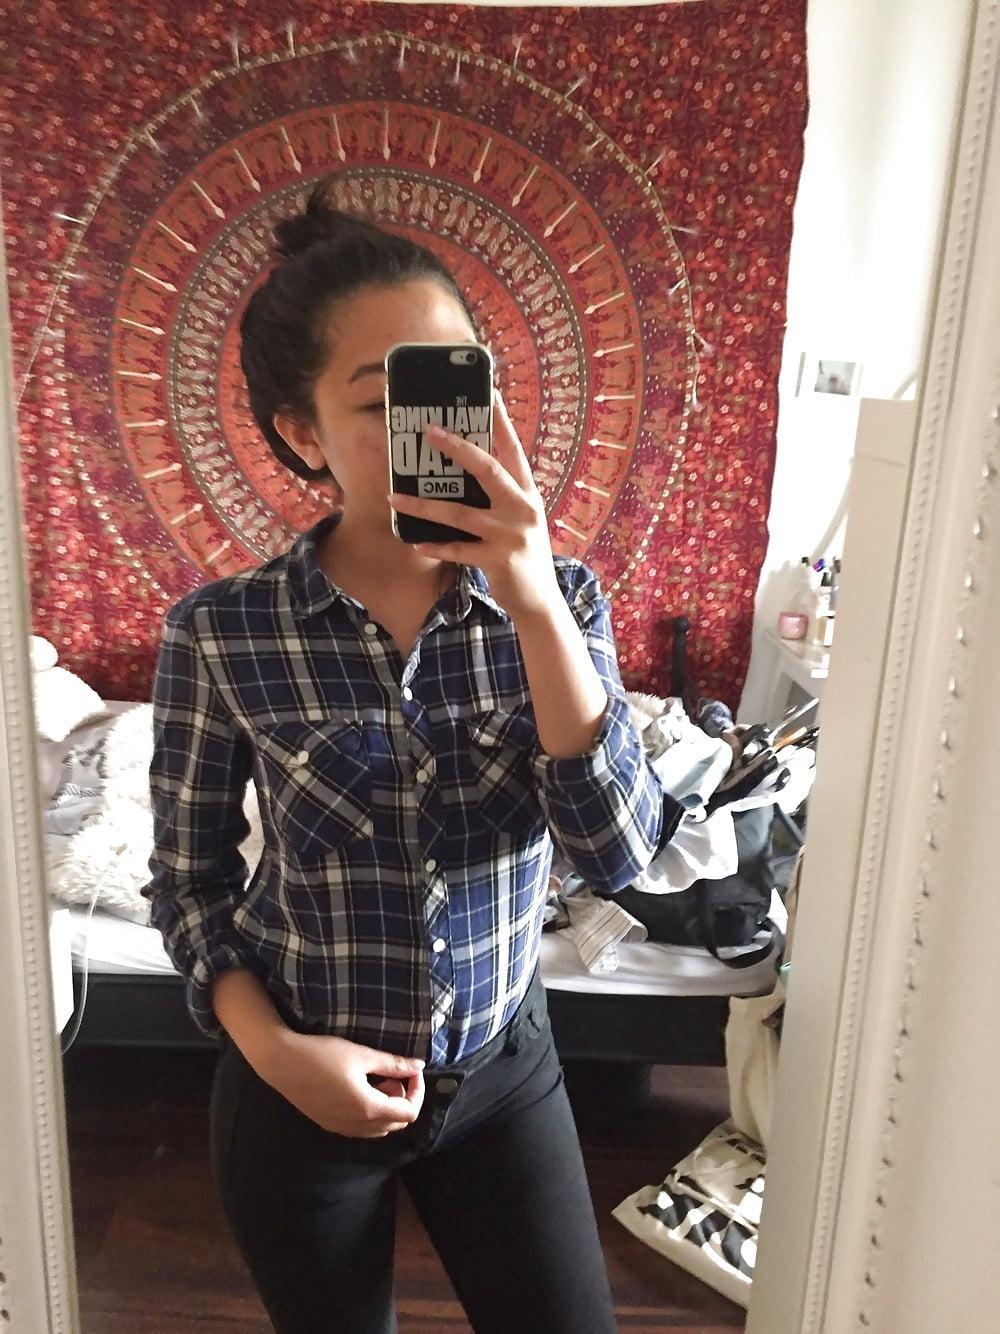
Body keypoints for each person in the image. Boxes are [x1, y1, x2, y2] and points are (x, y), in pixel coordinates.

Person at [141, 176, 684, 1334]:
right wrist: (275, 1050)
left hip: (503, 1078)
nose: (435, 433)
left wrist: (531, 602)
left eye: (453, 386)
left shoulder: (562, 599)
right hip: (295, 1090)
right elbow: (189, 885)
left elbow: (618, 854)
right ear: (302, 433)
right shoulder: (221, 632)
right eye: (386, 400)